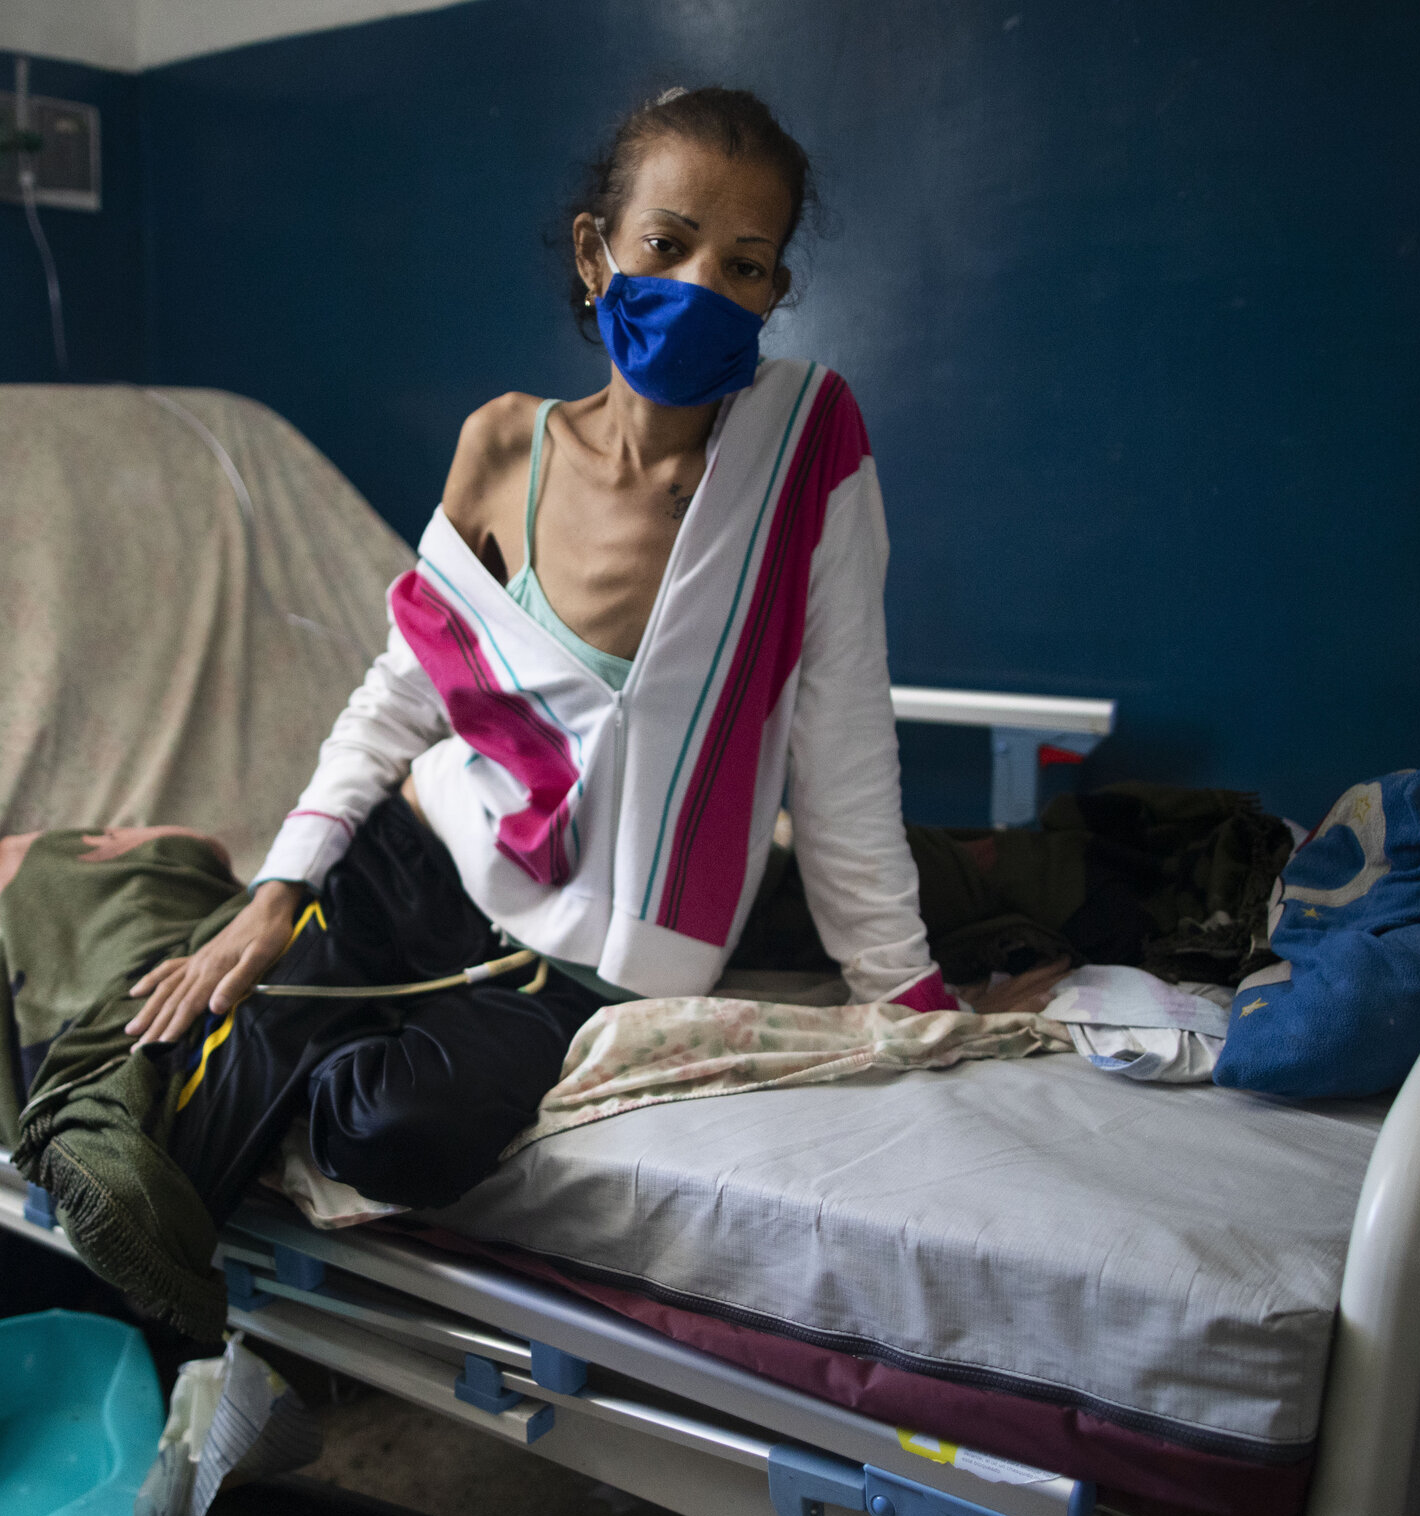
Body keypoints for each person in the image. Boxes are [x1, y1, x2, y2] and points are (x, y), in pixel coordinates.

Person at [128, 86, 957, 1212]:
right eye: (666, 244)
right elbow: (404, 689)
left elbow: (843, 747)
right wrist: (281, 884)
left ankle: (307, 1061)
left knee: (392, 1135)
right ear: (596, 251)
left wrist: (903, 998)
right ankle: (247, 1358)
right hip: (409, 861)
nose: (701, 287)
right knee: (164, 1089)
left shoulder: (806, 454)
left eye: (745, 264)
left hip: (582, 971)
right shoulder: (504, 443)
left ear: (776, 292)